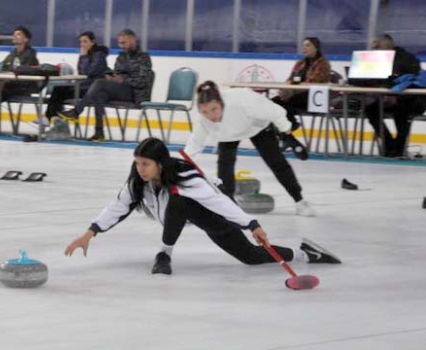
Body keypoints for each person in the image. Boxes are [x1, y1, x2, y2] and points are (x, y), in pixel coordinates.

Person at [64, 138, 340, 275]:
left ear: (160, 163)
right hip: (190, 216)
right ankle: (165, 255)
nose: (140, 169)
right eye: (137, 163)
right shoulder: (138, 182)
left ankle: (305, 254)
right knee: (249, 255)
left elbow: (218, 201)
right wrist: (89, 233)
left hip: (213, 214)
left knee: (251, 256)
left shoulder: (185, 178)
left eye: (145, 164)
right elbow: (117, 206)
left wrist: (252, 223)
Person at [184, 81, 316, 217]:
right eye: (205, 112)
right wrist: (183, 163)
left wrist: (286, 130)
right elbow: (195, 142)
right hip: (228, 135)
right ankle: (228, 206)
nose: (211, 116)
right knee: (224, 166)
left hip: (257, 126)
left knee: (276, 162)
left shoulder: (241, 100)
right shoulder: (202, 120)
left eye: (214, 109)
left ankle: (300, 201)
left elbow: (274, 111)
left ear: (221, 103)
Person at [58, 29, 153, 141]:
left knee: (99, 82)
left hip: (136, 93)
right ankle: (99, 133)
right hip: (121, 90)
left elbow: (143, 81)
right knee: (100, 94)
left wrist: (124, 80)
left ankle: (77, 111)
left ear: (133, 40)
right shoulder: (121, 56)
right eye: (120, 43)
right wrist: (111, 76)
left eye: (124, 43)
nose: (122, 46)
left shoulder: (143, 57)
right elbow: (117, 73)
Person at [364, 34, 426, 158]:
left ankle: (398, 149)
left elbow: (410, 81)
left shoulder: (407, 59)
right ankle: (390, 143)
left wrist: (391, 91)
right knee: (370, 109)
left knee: (401, 111)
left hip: (413, 100)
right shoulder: (377, 60)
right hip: (391, 99)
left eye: (377, 48)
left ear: (386, 46)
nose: (374, 52)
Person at [41, 31, 109, 125]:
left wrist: (83, 57)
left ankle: (51, 117)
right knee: (58, 89)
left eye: (85, 42)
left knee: (60, 91)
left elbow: (89, 72)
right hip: (84, 85)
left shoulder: (99, 55)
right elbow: (81, 71)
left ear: (92, 42)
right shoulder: (87, 54)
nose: (82, 44)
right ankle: (53, 118)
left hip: (91, 88)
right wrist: (82, 57)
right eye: (81, 42)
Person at [271, 37, 331, 131]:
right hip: (297, 95)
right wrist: (284, 89)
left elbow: (313, 83)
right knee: (273, 103)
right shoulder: (300, 63)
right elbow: (289, 80)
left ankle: (291, 127)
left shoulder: (323, 63)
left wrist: (292, 91)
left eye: (308, 45)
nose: (304, 48)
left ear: (316, 48)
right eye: (303, 46)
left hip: (313, 98)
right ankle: (289, 134)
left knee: (281, 103)